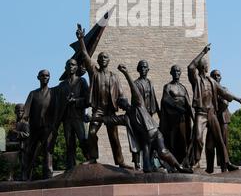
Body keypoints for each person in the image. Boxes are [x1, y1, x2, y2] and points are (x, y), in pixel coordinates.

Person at [103, 64, 193, 174]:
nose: (124, 105)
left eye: (124, 102)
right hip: (146, 137)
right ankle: (144, 166)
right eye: (122, 105)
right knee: (146, 161)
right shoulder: (127, 116)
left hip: (152, 128)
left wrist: (160, 116)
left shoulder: (139, 104)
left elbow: (151, 98)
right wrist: (93, 119)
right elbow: (110, 120)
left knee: (163, 151)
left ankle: (178, 167)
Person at [186, 43, 241, 172]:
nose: (206, 66)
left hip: (211, 113)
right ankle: (193, 163)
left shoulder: (211, 81)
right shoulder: (196, 80)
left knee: (219, 139)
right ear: (201, 67)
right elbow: (190, 67)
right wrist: (203, 52)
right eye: (204, 64)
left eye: (206, 64)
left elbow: (225, 93)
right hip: (200, 113)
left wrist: (238, 98)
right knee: (197, 138)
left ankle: (227, 162)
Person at [76, 25, 127, 167]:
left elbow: (121, 94)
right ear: (97, 61)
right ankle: (93, 157)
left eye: (105, 57)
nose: (103, 59)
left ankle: (120, 162)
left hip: (110, 110)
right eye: (101, 57)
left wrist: (125, 104)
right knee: (92, 132)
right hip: (97, 110)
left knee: (114, 137)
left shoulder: (114, 76)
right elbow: (85, 56)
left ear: (108, 61)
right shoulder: (94, 72)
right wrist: (81, 40)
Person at [53, 59, 90, 170]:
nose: (71, 66)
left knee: (83, 140)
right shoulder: (62, 85)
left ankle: (89, 159)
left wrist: (76, 101)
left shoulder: (82, 81)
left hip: (78, 116)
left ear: (76, 67)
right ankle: (70, 167)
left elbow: (88, 100)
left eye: (73, 64)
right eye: (68, 65)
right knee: (69, 143)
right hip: (66, 119)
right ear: (65, 68)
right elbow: (58, 103)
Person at [23, 70, 54, 179]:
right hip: (34, 127)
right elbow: (25, 112)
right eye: (42, 75)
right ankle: (26, 174)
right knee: (30, 150)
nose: (45, 77)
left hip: (48, 128)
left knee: (48, 151)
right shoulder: (33, 94)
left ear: (49, 78)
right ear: (38, 78)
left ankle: (48, 174)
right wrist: (25, 122)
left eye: (47, 76)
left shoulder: (53, 93)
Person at [159, 65, 193, 163]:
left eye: (178, 71)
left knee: (183, 140)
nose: (176, 73)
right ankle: (173, 163)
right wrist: (177, 107)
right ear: (171, 73)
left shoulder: (183, 88)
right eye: (174, 71)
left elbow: (188, 104)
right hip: (172, 119)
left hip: (182, 118)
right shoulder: (168, 86)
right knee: (172, 141)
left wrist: (194, 118)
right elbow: (165, 99)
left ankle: (183, 161)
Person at [207, 69, 239, 172]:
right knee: (209, 145)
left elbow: (226, 102)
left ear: (221, 77)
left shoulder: (224, 89)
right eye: (214, 75)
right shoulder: (209, 89)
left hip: (222, 119)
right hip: (212, 120)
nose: (216, 77)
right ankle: (209, 168)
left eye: (218, 75)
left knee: (223, 143)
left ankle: (224, 167)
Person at [6, 104, 29, 180]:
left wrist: (17, 133)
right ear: (15, 111)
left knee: (23, 163)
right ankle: (12, 177)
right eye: (18, 110)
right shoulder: (13, 124)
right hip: (13, 148)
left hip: (22, 147)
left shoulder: (25, 123)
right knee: (12, 164)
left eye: (22, 111)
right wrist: (8, 139)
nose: (20, 112)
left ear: (24, 112)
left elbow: (27, 134)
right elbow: (9, 136)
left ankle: (23, 177)